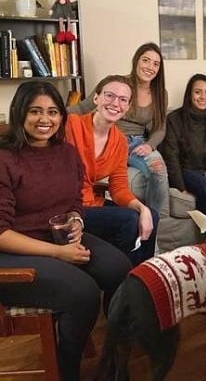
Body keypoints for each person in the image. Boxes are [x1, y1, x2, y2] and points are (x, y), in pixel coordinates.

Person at [0, 81, 130, 381]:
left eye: (53, 112)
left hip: (55, 237)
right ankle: (66, 367)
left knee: (119, 267)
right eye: (35, 111)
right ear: (20, 113)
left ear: (62, 117)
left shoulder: (66, 152)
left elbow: (75, 200)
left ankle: (113, 352)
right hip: (12, 251)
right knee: (82, 292)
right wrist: (58, 252)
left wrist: (77, 221)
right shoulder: (5, 158)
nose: (45, 119)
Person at [66, 75, 159, 265]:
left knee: (151, 215)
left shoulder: (120, 142)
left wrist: (143, 208)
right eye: (109, 95)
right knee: (128, 220)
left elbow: (118, 189)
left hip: (92, 204)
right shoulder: (71, 125)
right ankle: (124, 279)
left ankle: (143, 278)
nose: (115, 103)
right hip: (68, 208)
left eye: (123, 99)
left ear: (127, 107)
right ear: (96, 98)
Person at [69, 43, 169, 216]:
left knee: (158, 168)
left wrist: (150, 145)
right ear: (136, 61)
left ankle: (153, 219)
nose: (150, 67)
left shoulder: (161, 93)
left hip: (138, 143)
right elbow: (81, 108)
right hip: (112, 139)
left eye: (156, 64)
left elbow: (160, 128)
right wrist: (52, 114)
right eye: (146, 60)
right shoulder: (117, 84)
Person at [161, 74, 206, 216]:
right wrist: (181, 187)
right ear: (190, 94)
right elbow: (171, 156)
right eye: (197, 92)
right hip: (186, 170)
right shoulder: (174, 118)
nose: (203, 97)